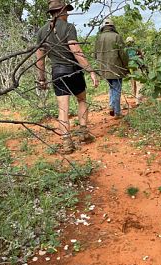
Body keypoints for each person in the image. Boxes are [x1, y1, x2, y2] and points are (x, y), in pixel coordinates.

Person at [36, 0, 99, 154]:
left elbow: (40, 58)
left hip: (57, 73)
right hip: (73, 71)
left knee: (63, 108)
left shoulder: (42, 32)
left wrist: (41, 78)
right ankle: (83, 133)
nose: (68, 14)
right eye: (67, 11)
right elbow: (76, 50)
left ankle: (66, 143)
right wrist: (90, 70)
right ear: (62, 11)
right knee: (82, 99)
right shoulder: (69, 27)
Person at [95, 18, 129, 118]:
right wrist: (126, 66)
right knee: (117, 90)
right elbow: (123, 54)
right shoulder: (117, 36)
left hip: (104, 69)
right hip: (116, 68)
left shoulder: (99, 38)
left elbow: (95, 55)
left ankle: (112, 106)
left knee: (112, 88)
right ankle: (116, 111)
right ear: (112, 27)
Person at [125, 36, 146, 105]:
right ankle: (138, 100)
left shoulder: (125, 50)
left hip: (129, 68)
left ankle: (136, 98)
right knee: (139, 84)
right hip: (136, 67)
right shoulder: (135, 48)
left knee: (133, 83)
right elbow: (141, 56)